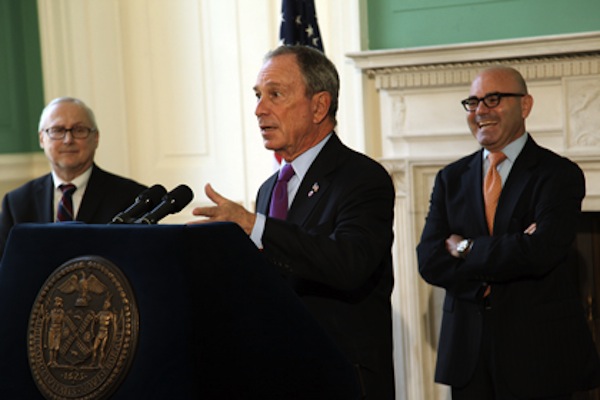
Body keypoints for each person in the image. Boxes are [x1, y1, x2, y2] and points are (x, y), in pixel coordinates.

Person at [190, 45, 395, 399]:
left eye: (275, 94)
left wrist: (254, 226)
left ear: (319, 106)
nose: (259, 109)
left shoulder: (362, 178)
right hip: (278, 371)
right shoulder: (271, 187)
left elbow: (349, 263)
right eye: (258, 95)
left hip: (340, 375)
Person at [417, 66, 600, 399]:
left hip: (539, 357)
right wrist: (512, 249)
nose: (481, 111)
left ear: (525, 106)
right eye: (473, 102)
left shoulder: (558, 175)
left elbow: (541, 252)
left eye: (493, 98)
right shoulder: (450, 178)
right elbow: (429, 261)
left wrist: (464, 248)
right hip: (468, 357)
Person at [0, 97, 147, 257]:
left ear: (96, 138)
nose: (68, 140)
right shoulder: (16, 203)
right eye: (57, 130)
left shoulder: (132, 198)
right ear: (42, 139)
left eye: (79, 130)